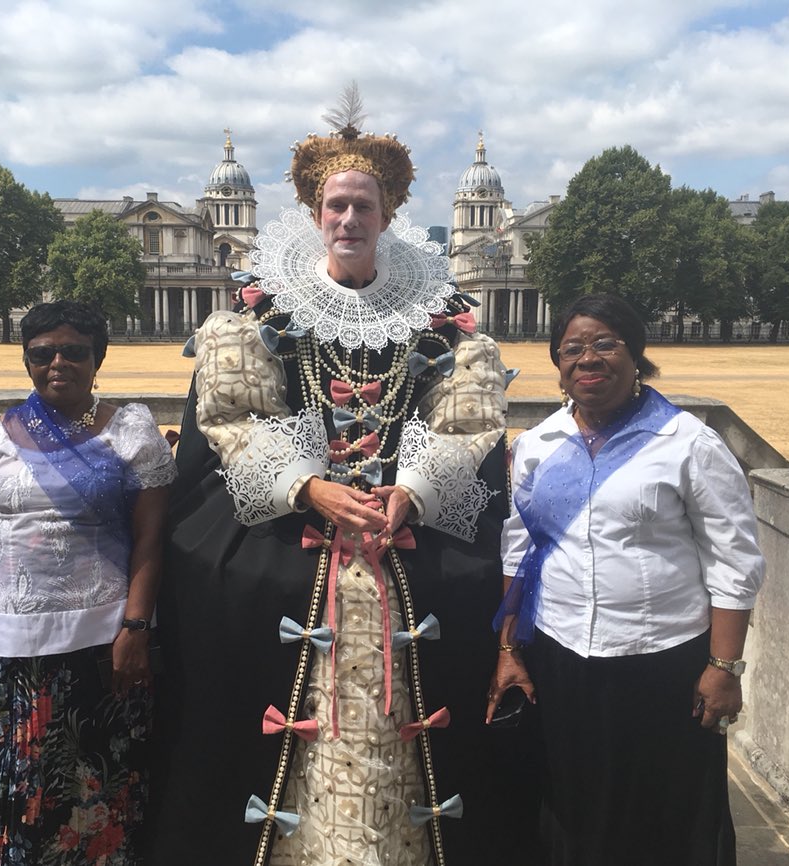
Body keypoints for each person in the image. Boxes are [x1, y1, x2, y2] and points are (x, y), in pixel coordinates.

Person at [146, 89, 537, 865]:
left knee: (460, 594)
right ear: (315, 214)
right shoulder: (259, 311)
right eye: (336, 206)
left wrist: (413, 492)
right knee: (232, 598)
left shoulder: (442, 315)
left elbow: (466, 418)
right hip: (294, 518)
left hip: (406, 522)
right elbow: (233, 415)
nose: (349, 220)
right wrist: (307, 486)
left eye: (364, 205)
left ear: (388, 214)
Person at [488, 292, 766, 866]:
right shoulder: (539, 445)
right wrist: (509, 649)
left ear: (635, 354)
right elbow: (519, 550)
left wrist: (723, 667)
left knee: (666, 808)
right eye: (572, 349)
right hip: (563, 658)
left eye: (605, 344)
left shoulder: (687, 442)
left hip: (663, 661)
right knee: (574, 801)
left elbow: (734, 562)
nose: (588, 359)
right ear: (559, 368)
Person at [0, 300, 176, 865]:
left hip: (96, 645)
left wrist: (136, 627)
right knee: (10, 786)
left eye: (74, 351)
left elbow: (150, 540)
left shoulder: (129, 432)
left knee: (90, 789)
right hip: (0, 650)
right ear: (26, 360)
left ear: (98, 358)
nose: (57, 362)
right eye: (42, 353)